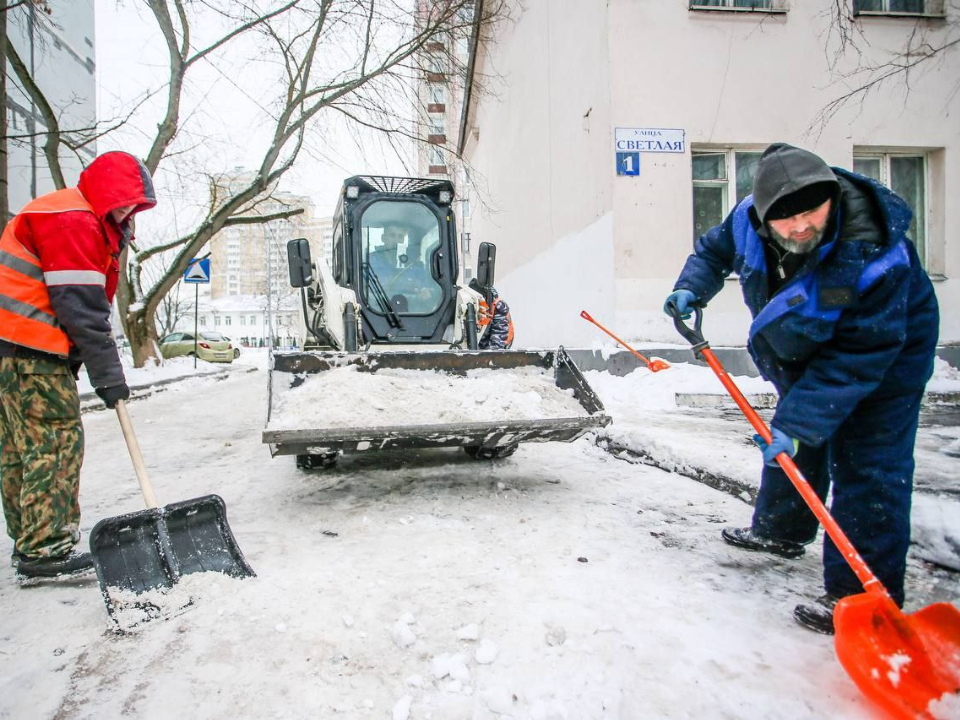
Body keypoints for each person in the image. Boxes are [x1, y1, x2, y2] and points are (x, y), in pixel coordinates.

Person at [663, 143, 939, 634]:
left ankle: (862, 599)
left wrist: (796, 422)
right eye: (786, 219)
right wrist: (693, 285)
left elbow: (859, 357)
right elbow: (714, 250)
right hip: (807, 349)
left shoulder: (876, 254)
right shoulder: (747, 218)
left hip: (886, 353)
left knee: (868, 463)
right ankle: (780, 531)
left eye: (813, 210)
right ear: (762, 214)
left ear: (831, 195)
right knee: (793, 443)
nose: (801, 226)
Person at [0, 151, 157, 580]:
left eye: (135, 206)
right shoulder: (76, 221)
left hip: (11, 353)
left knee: (20, 449)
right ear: (106, 193)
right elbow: (83, 311)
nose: (128, 212)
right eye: (124, 202)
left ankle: (31, 540)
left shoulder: (62, 211)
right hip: (34, 352)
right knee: (54, 445)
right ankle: (46, 550)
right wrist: (109, 377)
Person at [366, 223, 440, 313]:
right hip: (377, 313)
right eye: (392, 236)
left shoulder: (414, 264)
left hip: (412, 315)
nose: (396, 240)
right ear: (383, 238)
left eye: (400, 237)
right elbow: (364, 290)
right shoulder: (370, 261)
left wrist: (426, 293)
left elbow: (428, 290)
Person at [469, 278, 514, 350]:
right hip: (482, 348)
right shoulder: (476, 306)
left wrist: (486, 356)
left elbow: (499, 336)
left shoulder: (498, 306)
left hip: (498, 348)